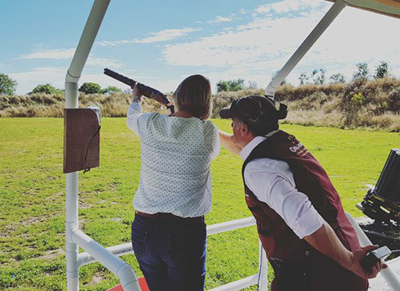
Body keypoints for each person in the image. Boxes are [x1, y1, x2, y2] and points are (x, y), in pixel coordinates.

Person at [218, 95, 385, 290]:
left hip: (316, 275)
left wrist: (349, 261)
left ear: (244, 129)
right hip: (341, 262)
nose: (231, 128)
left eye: (233, 123)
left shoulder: (260, 170)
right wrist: (207, 128)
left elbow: (305, 218)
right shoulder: (280, 144)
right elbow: (242, 146)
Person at [126, 75, 220, 291]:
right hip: (185, 233)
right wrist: (174, 115)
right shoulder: (208, 132)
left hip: (145, 228)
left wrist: (137, 97)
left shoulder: (150, 123)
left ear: (178, 97)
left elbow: (132, 118)